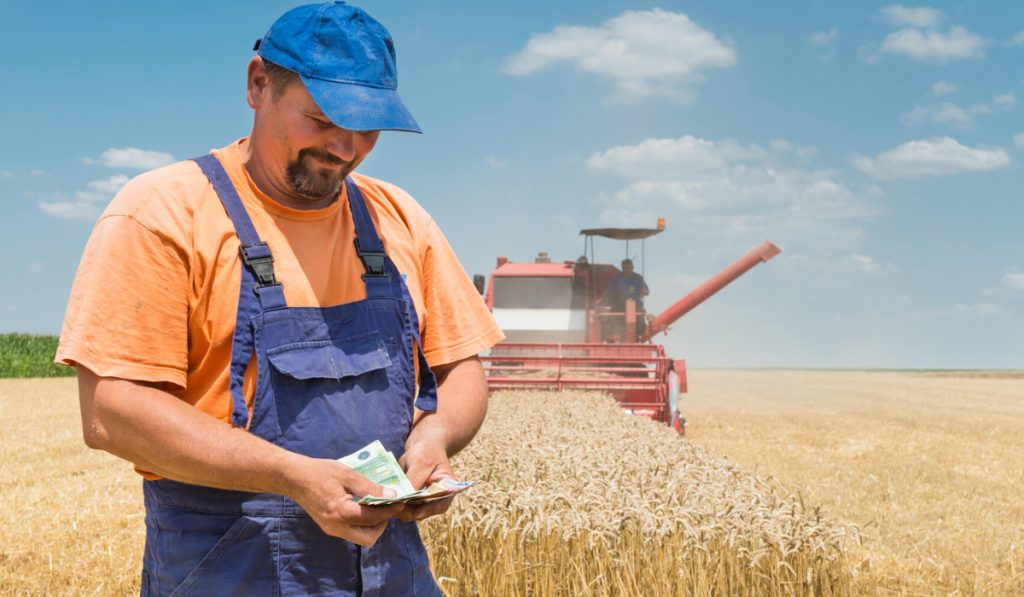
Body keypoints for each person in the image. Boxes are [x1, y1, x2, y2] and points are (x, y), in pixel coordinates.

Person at [55, 3, 503, 595]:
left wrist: (434, 437)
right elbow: (111, 413)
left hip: (391, 566)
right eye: (322, 120)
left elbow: (461, 368)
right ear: (258, 83)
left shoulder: (398, 219)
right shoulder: (163, 213)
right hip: (227, 563)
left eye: (367, 128)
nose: (345, 148)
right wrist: (291, 477)